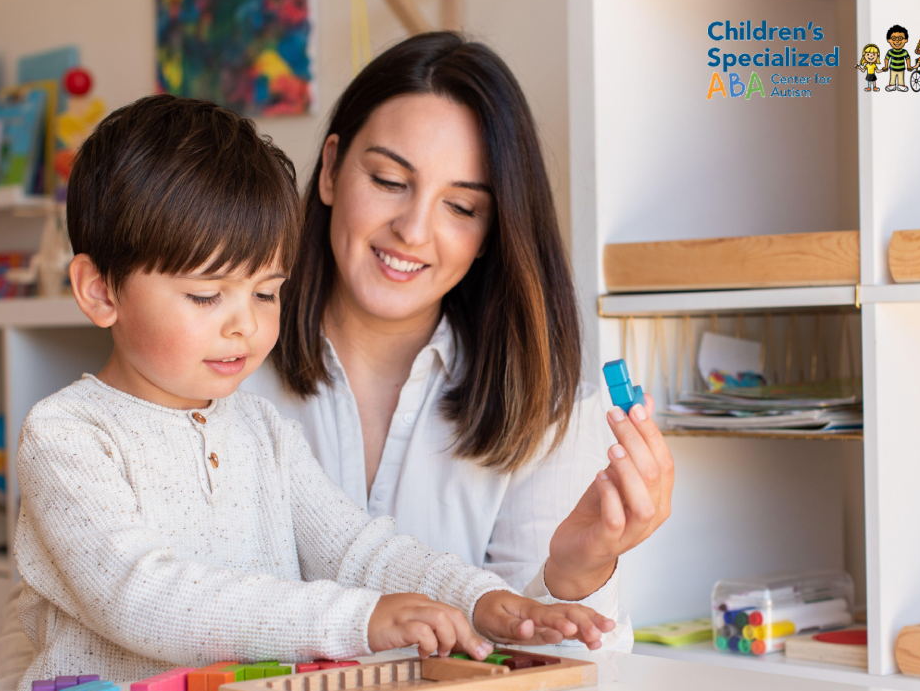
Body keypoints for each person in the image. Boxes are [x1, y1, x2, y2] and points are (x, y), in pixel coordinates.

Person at [0, 95, 612, 691]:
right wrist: (355, 621)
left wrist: (476, 598)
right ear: (99, 291)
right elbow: (142, 598)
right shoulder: (69, 434)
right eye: (206, 296)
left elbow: (356, 547)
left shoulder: (261, 429)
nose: (246, 325)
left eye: (266, 292)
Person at [243, 32, 675, 651]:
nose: (413, 230)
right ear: (332, 169)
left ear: (491, 232)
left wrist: (576, 575)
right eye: (390, 180)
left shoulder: (544, 410)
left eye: (462, 208)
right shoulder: (222, 367)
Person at [881, 25, 912, 91]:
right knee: (892, 78)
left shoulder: (904, 52)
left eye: (900, 38)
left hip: (901, 68)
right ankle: (892, 85)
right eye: (894, 38)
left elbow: (907, 58)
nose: (897, 41)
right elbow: (887, 58)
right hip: (892, 68)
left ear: (905, 40)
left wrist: (909, 66)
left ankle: (901, 86)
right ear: (889, 40)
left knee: (901, 78)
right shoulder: (890, 51)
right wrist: (886, 66)